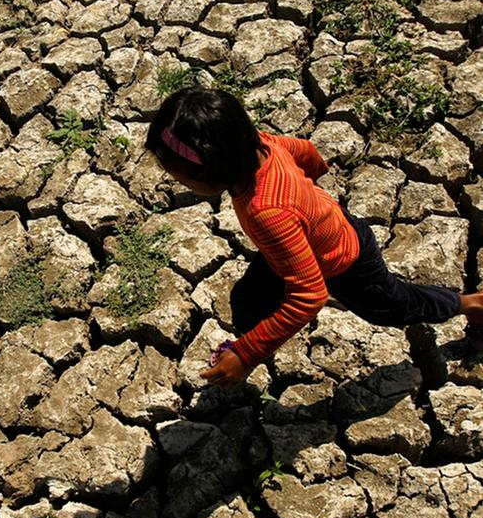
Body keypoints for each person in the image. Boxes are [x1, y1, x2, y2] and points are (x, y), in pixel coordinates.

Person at [145, 86, 483, 387]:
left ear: (214, 172)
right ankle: (249, 343)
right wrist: (308, 196)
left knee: (395, 307)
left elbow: (309, 296)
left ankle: (471, 304)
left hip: (344, 262)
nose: (178, 183)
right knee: (248, 301)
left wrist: (247, 355)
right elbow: (306, 151)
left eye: (181, 178)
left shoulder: (267, 212)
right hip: (305, 240)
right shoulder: (261, 144)